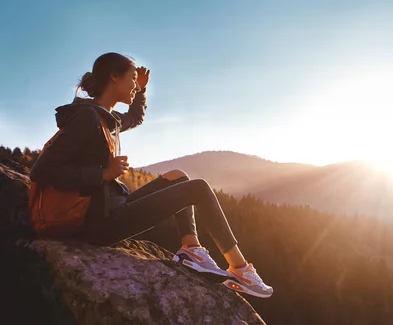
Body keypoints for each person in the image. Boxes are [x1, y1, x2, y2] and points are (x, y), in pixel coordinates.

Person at [29, 52, 272, 298]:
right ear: (114, 77)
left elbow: (135, 118)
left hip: (110, 208)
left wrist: (142, 92)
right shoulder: (86, 117)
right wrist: (102, 174)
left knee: (178, 176)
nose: (135, 84)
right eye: (133, 79)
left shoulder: (105, 118)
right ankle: (241, 270)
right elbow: (42, 170)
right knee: (197, 188)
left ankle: (191, 249)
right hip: (95, 224)